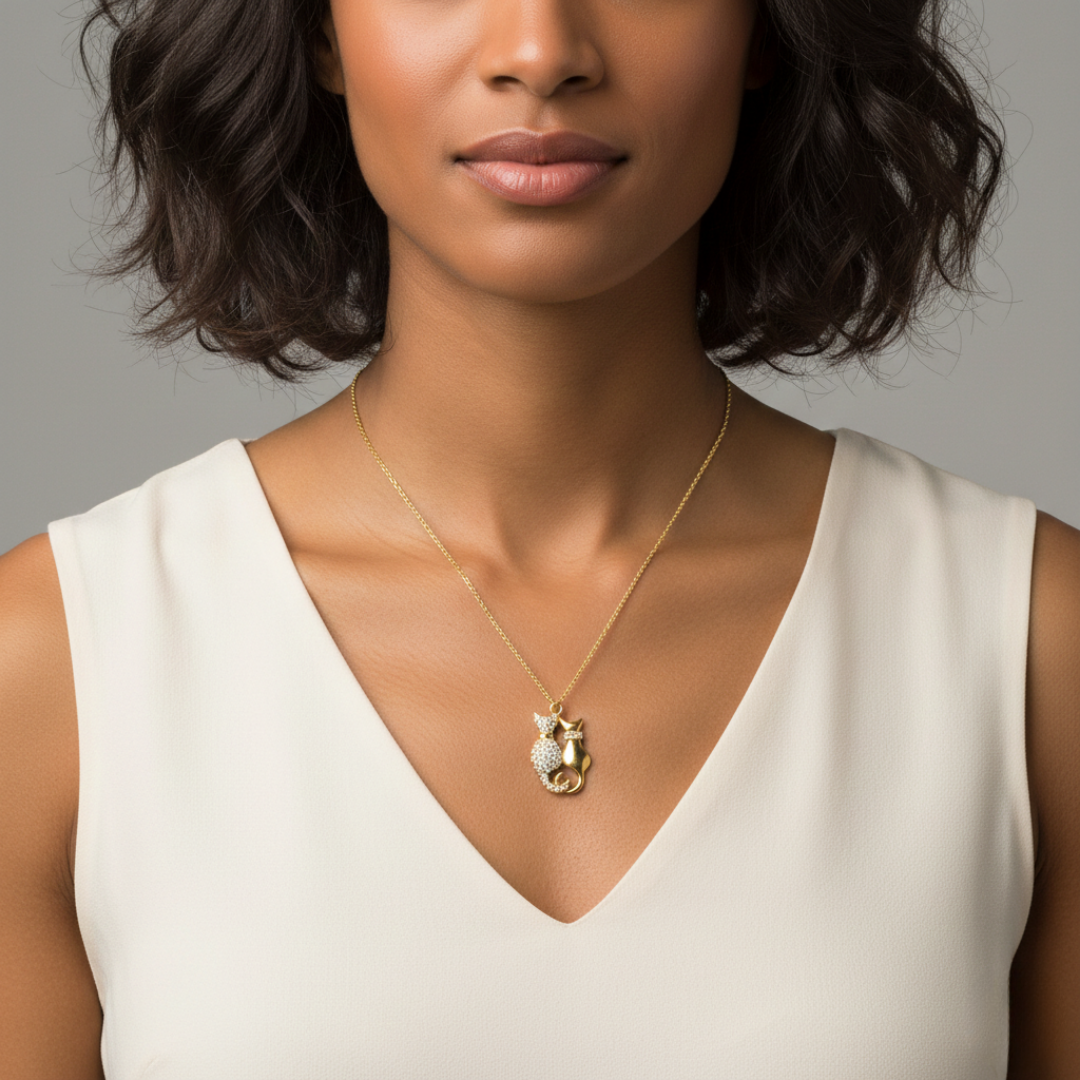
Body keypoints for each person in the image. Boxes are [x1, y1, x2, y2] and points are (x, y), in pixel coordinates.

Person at [0, 0, 1076, 1075]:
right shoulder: (54, 664)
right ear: (320, 33)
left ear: (763, 29)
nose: (540, 53)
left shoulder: (1030, 644)